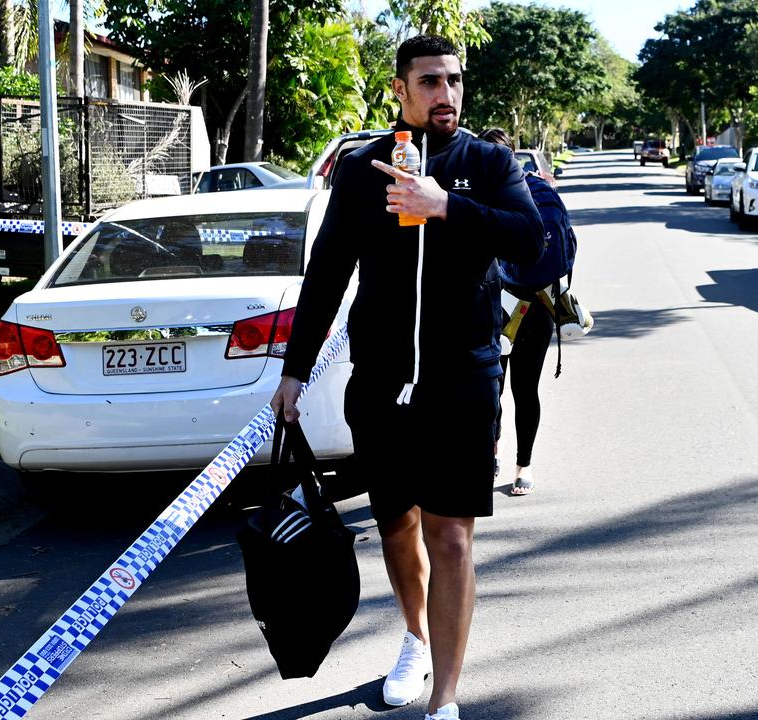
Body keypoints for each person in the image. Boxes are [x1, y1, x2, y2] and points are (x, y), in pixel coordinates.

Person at [269, 35, 542, 720]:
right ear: (400, 89)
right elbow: (328, 273)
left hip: (464, 379)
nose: (444, 94)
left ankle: (445, 699)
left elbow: (529, 239)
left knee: (451, 535)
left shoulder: (487, 161)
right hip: (381, 385)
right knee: (398, 526)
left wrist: (445, 203)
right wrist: (294, 371)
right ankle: (415, 639)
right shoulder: (362, 172)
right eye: (429, 82)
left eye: (453, 81)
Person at [478, 127, 562, 496]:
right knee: (505, 391)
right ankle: (509, 464)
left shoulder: (490, 194)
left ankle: (515, 464)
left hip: (510, 306)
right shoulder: (530, 189)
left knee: (504, 390)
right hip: (527, 304)